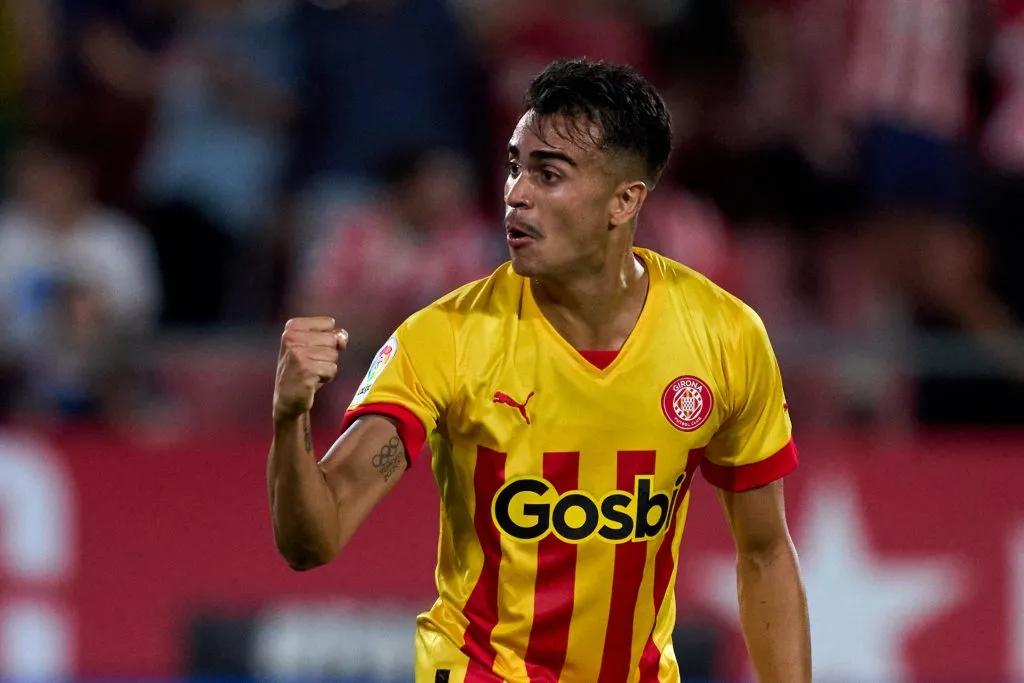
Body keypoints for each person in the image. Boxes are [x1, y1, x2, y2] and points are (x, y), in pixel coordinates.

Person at [268, 59, 811, 682]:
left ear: (624, 200)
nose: (515, 193)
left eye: (547, 174)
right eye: (513, 166)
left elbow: (766, 552)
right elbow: (314, 539)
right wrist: (290, 420)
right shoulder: (446, 339)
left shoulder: (725, 337)